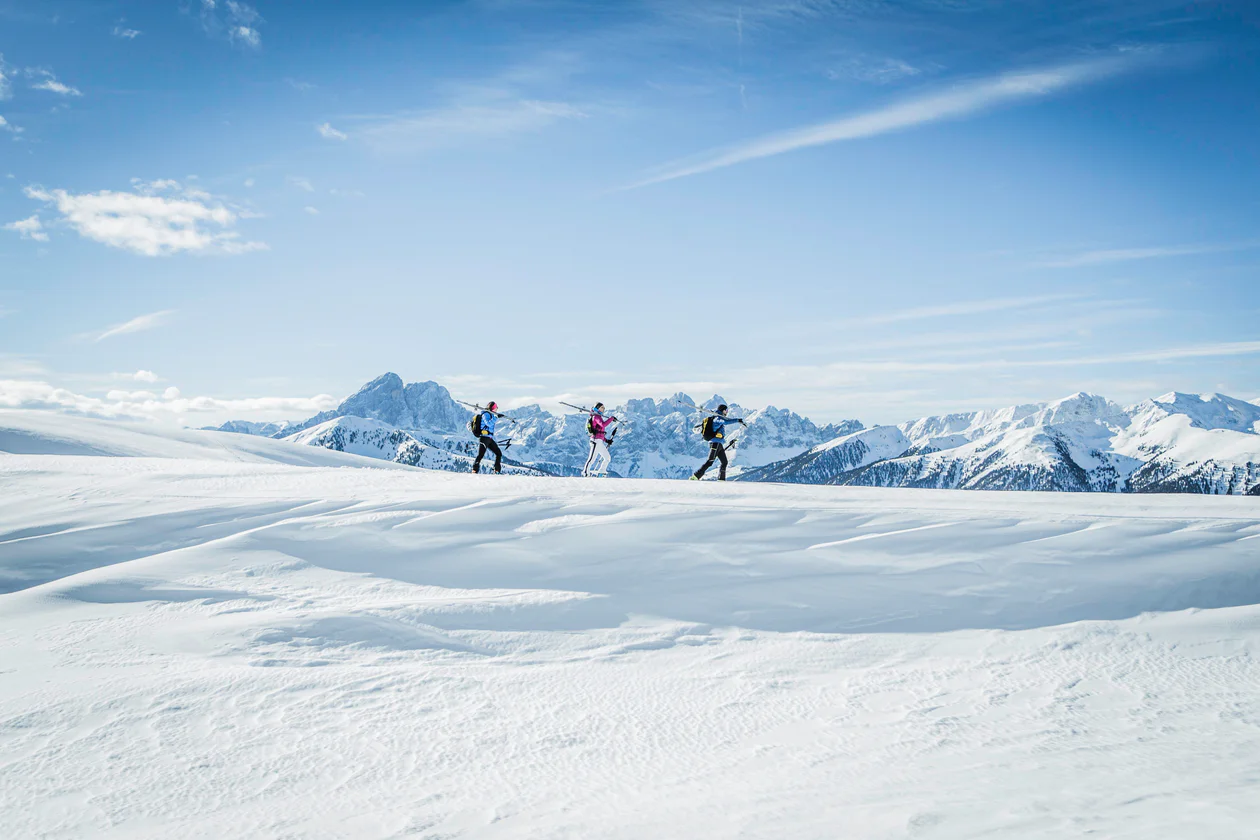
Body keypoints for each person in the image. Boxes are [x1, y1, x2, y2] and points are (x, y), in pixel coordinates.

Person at [690, 404, 746, 481]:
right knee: (710, 461)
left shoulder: (717, 417)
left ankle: (721, 479)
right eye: (726, 410)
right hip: (715, 443)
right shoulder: (718, 419)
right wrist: (737, 420)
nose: (727, 412)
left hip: (719, 444)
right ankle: (695, 476)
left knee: (724, 462)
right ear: (723, 410)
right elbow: (725, 422)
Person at [582, 402, 618, 477]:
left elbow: (600, 433)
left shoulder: (598, 417)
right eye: (602, 407)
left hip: (599, 442)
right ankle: (585, 473)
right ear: (597, 408)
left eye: (604, 407)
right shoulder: (596, 417)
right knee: (591, 459)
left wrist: (606, 440)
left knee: (607, 458)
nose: (603, 409)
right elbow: (603, 424)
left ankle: (601, 472)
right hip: (595, 441)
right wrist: (611, 418)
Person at [471, 401, 505, 474]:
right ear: (492, 408)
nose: (497, 409)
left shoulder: (491, 414)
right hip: (484, 438)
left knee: (498, 453)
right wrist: (496, 417)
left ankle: (497, 470)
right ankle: (474, 470)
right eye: (496, 408)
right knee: (480, 455)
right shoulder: (485, 414)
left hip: (489, 439)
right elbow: (488, 423)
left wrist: (496, 416)